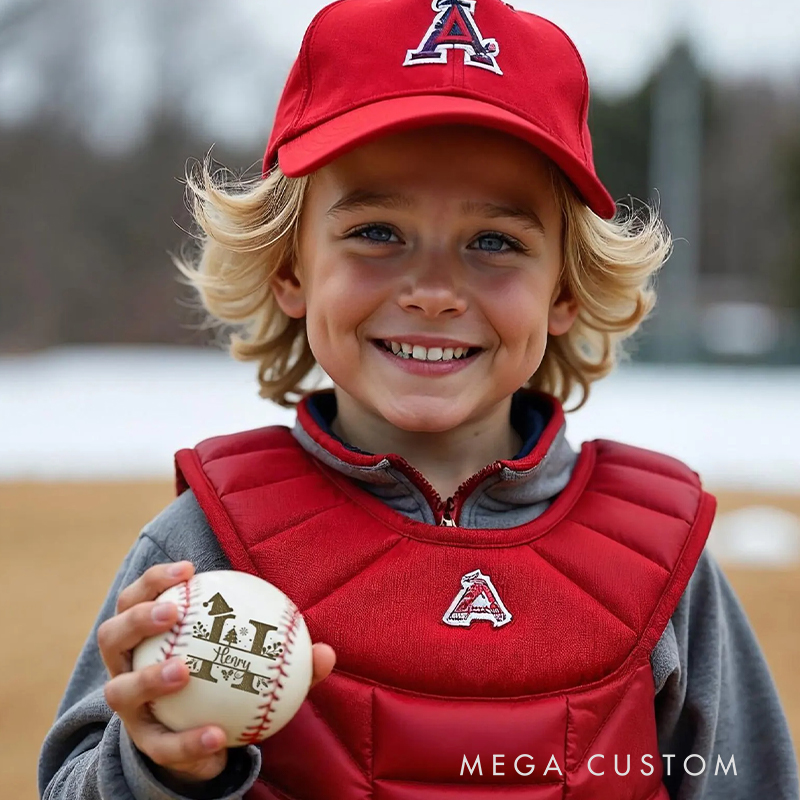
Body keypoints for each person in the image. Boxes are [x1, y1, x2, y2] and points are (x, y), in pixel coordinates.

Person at [39, 0, 799, 798]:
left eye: (495, 242)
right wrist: (158, 767)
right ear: (291, 271)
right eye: (377, 232)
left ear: (564, 290)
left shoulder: (661, 555)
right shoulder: (206, 541)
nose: (434, 292)